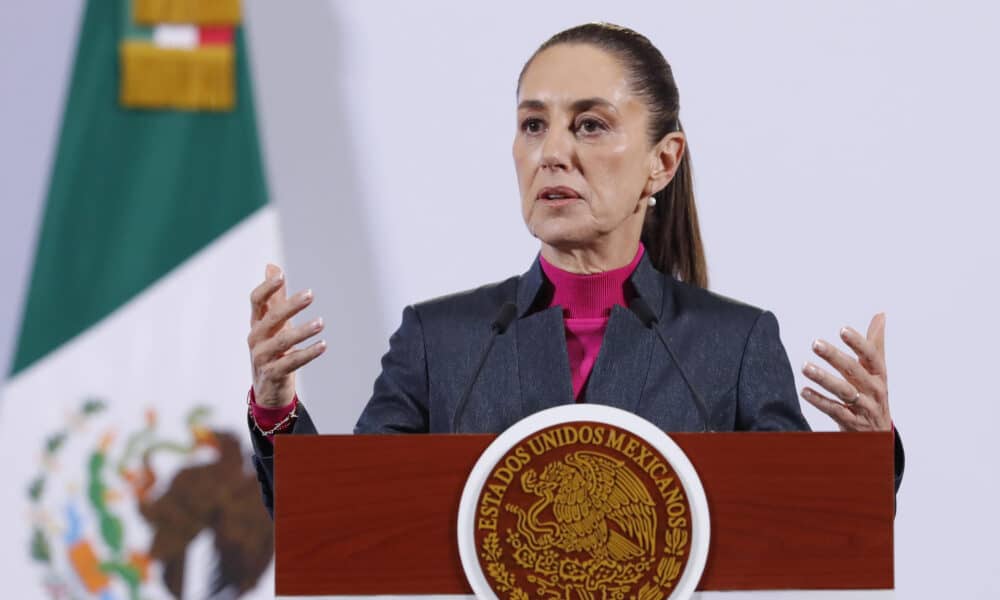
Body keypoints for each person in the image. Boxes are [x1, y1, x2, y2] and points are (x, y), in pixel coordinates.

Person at [244, 23, 904, 516]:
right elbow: (337, 521)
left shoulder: (733, 345)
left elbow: (805, 532)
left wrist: (866, 460)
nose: (553, 152)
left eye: (589, 125)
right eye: (534, 125)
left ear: (662, 162)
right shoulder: (438, 341)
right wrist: (276, 408)